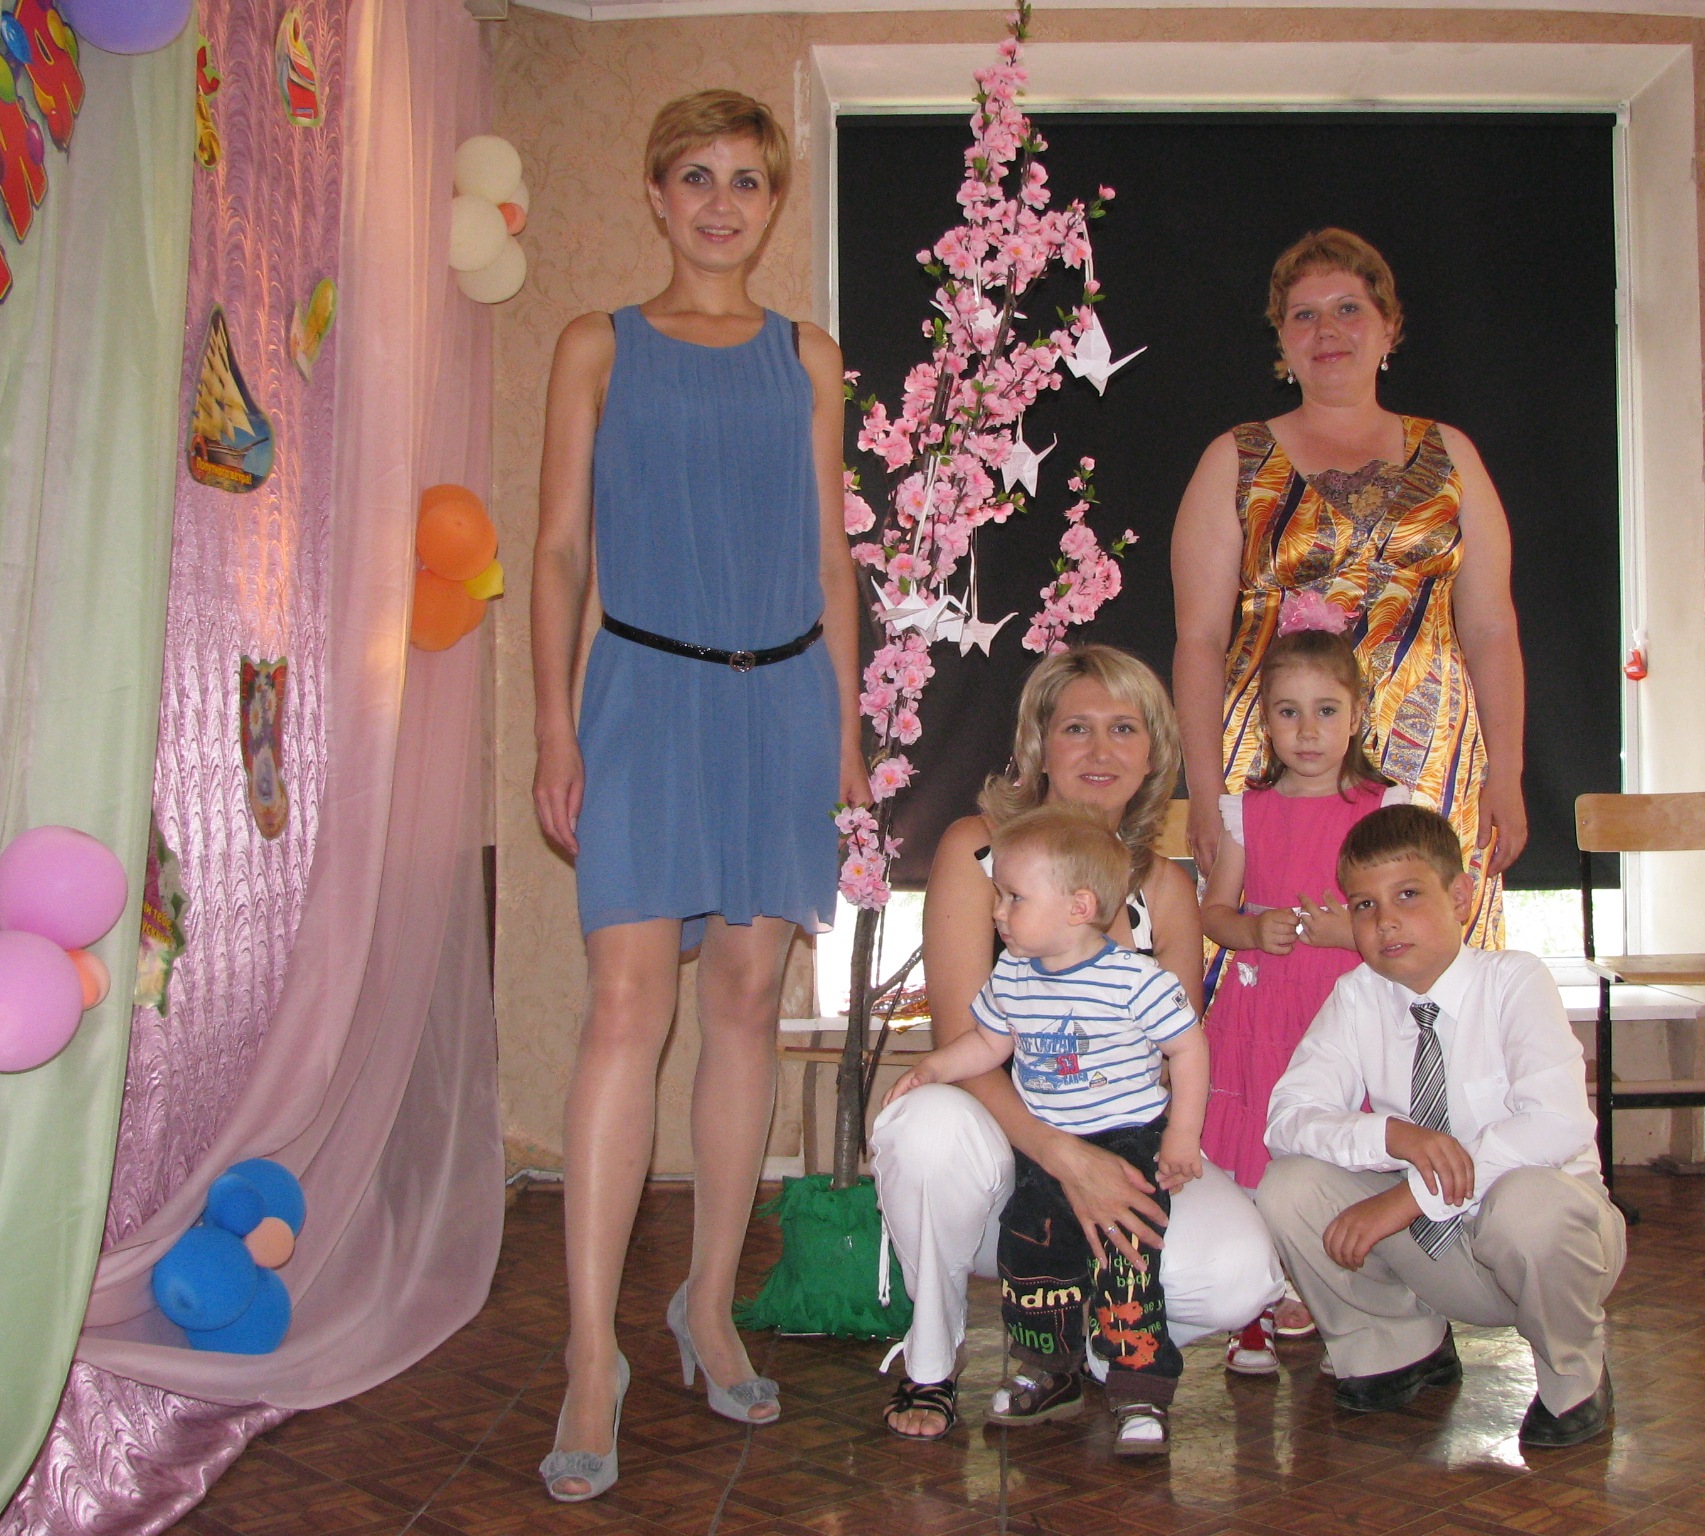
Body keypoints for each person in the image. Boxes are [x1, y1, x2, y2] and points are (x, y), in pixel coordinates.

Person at [527, 91, 868, 1499]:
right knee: (625, 1009)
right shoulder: (596, 343)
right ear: (656, 196)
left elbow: (831, 555)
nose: (722, 203)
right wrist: (553, 724)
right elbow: (558, 552)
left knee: (742, 1003)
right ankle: (587, 1356)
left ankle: (708, 1306)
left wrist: (845, 737)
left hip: (780, 702)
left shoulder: (809, 356)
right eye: (696, 177)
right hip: (643, 698)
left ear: (772, 202)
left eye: (746, 180)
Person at [869, 646, 1284, 1441]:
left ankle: (1095, 1344)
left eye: (1124, 729)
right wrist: (1064, 1157)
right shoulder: (978, 850)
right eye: (1077, 728)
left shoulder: (1167, 887)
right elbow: (963, 1041)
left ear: (1153, 752)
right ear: (1038, 745)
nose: (1101, 750)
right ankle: (933, 1358)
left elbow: (1177, 1054)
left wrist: (1129, 1161)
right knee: (923, 1126)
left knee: (1242, 1276)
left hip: (1119, 1140)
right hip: (998, 1163)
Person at [1171, 226, 1528, 947]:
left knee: (1422, 954)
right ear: (1282, 338)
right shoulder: (1235, 459)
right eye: (1304, 314)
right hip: (1277, 754)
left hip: (1431, 755)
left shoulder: (1451, 454)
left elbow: (1492, 627)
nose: (1326, 330)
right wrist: (1205, 794)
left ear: (1389, 327)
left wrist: (1508, 773)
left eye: (1348, 308)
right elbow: (1199, 640)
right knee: (1277, 952)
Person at [1257, 804, 1625, 1448]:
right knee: (1289, 1187)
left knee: (1530, 1203)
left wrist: (1407, 1196)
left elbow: (1558, 1124)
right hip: (1436, 1254)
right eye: (1364, 905)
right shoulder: (1356, 997)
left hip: (1544, 1247)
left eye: (1407, 894)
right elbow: (1288, 1119)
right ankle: (1398, 1349)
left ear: (1460, 897)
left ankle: (1574, 1373)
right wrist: (1391, 1136)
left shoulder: (1515, 981)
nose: (1385, 921)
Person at [884, 806, 1208, 1455]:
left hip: (1125, 1141)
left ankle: (1138, 1387)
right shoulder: (1013, 975)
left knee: (1127, 1266)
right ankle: (1049, 1369)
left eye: (1014, 898)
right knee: (1033, 1255)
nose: (998, 911)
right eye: (998, 895)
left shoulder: (1133, 979)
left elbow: (1189, 1048)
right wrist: (935, 1067)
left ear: (1078, 906)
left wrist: (1181, 1136)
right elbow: (988, 1042)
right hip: (1044, 1146)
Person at [1197, 611, 1409, 1376]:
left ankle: (1324, 1284)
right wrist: (1251, 931)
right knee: (1256, 1150)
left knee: (1331, 1145)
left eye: (1326, 711)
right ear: (1264, 721)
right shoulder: (1245, 812)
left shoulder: (1384, 809)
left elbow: (1408, 920)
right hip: (1262, 1012)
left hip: (1346, 1013)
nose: (1308, 731)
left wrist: (1347, 931)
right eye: (1288, 713)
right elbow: (1214, 913)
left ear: (1356, 717)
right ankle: (1253, 1297)